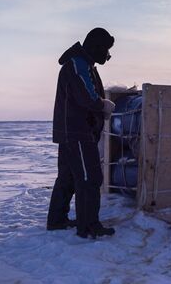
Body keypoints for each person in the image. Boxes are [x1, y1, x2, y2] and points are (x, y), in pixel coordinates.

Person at [47, 27, 117, 238]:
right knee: (89, 178)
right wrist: (103, 105)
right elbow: (87, 96)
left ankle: (57, 220)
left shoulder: (83, 63)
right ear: (96, 47)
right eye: (106, 50)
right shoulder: (79, 64)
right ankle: (88, 226)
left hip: (72, 132)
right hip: (77, 132)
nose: (108, 55)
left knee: (68, 177)